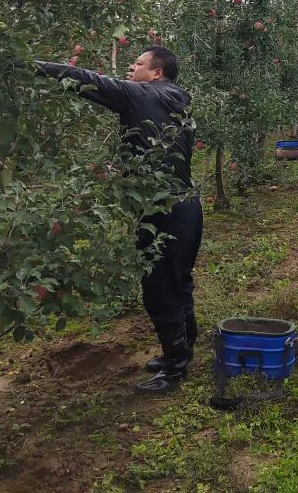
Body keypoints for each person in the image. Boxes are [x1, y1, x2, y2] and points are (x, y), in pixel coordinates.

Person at [34, 46, 202, 394]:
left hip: (163, 211)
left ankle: (174, 368)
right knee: (178, 281)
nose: (131, 66)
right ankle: (183, 348)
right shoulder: (179, 100)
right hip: (187, 204)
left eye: (138, 63)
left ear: (156, 73)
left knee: (160, 288)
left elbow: (86, 79)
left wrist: (36, 67)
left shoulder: (140, 94)